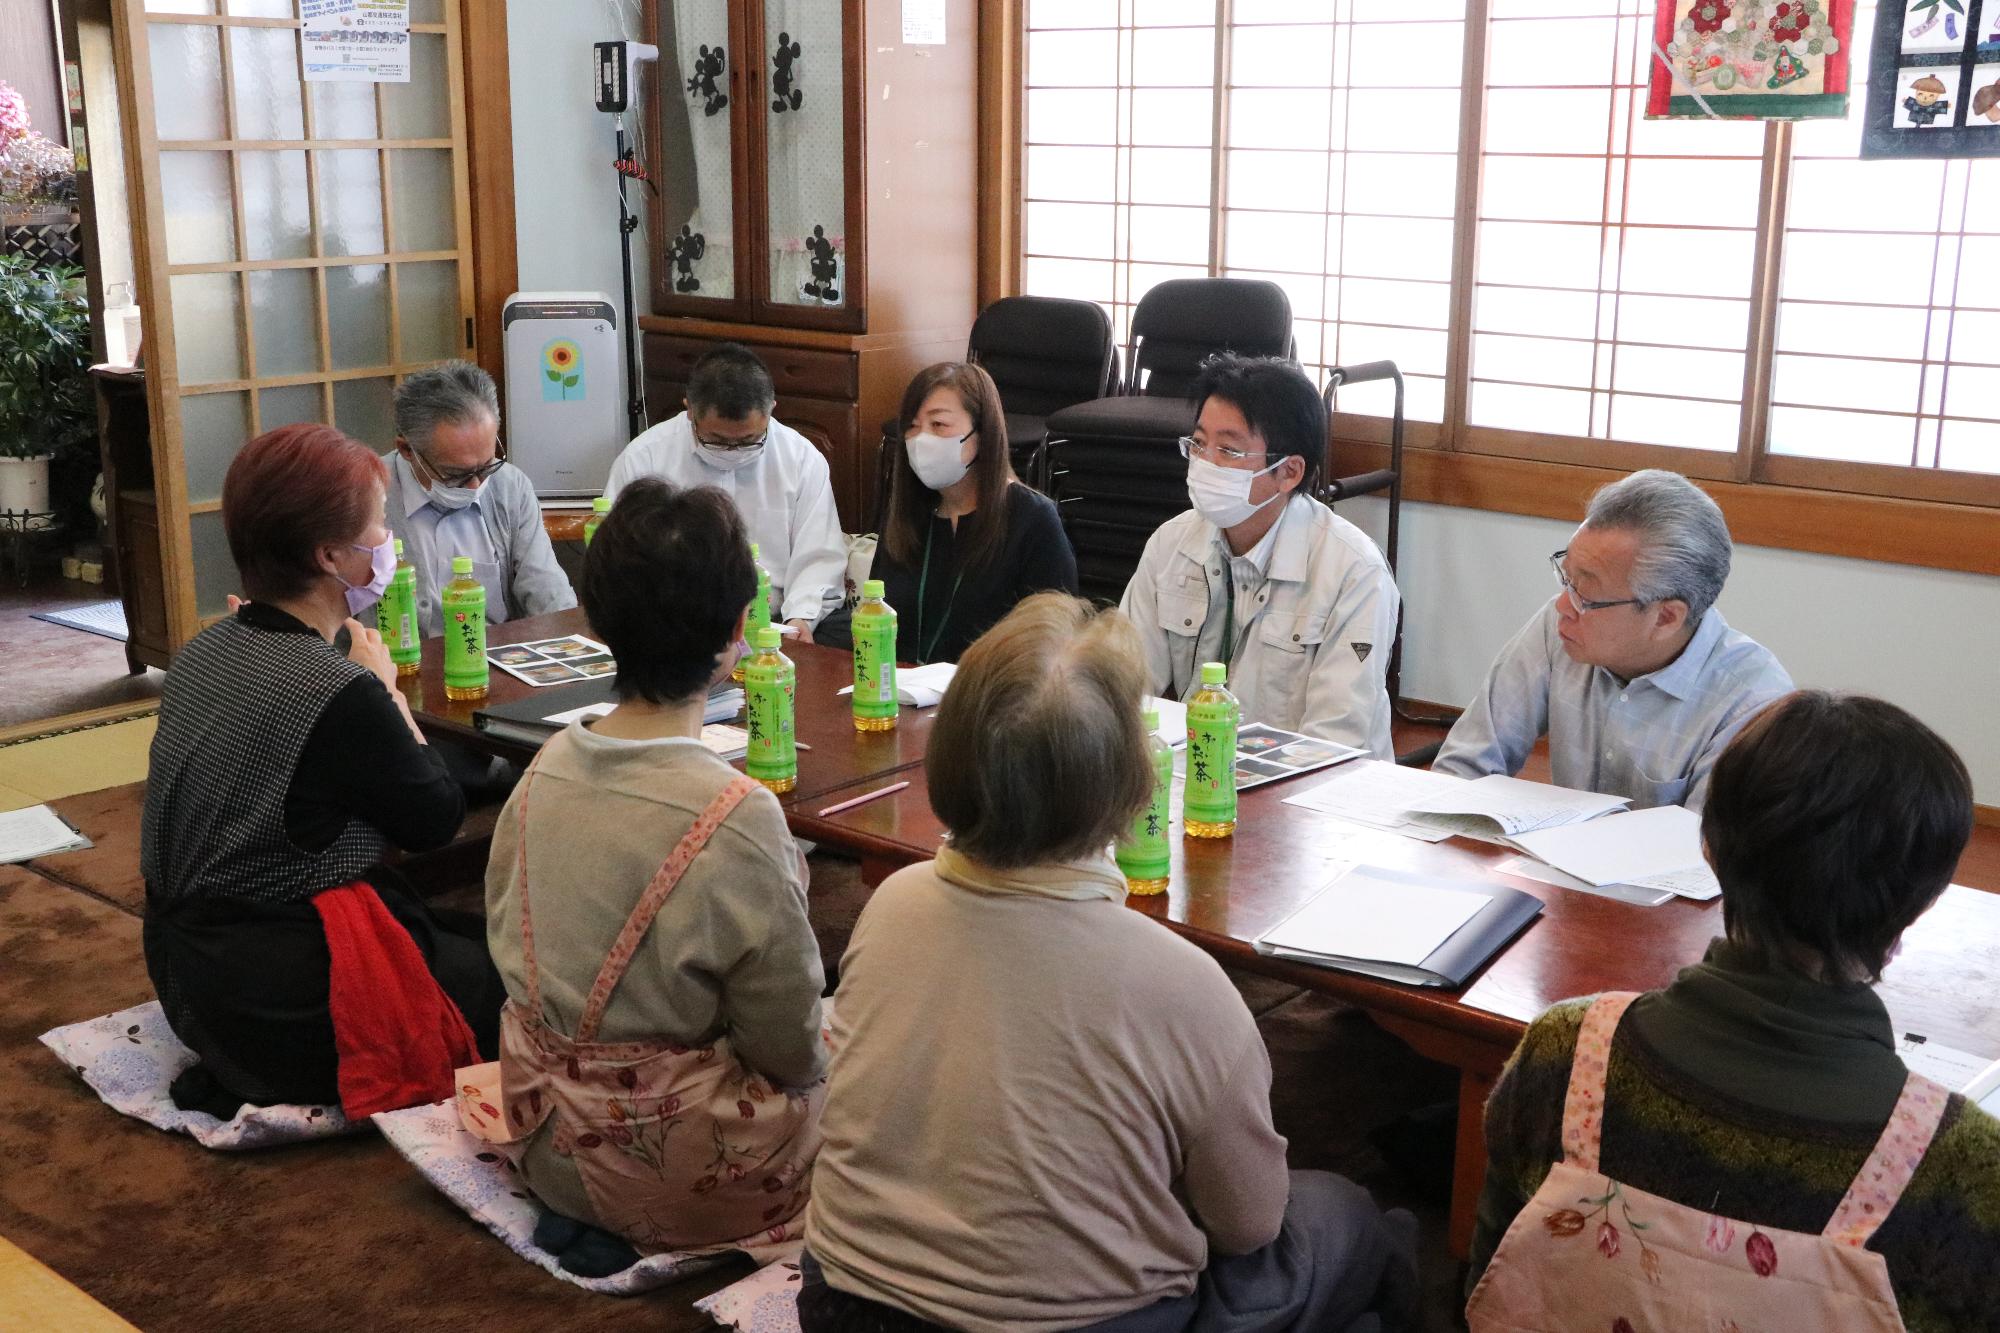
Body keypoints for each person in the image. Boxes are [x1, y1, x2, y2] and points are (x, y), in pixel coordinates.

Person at [800, 594, 1418, 1333]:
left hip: (844, 1303)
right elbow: (1249, 1223)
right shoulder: (1182, 981)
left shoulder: (893, 905)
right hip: (1087, 1325)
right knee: (1343, 1214)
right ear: (1133, 779)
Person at [1467, 691, 2000, 1332]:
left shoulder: (1567, 1049)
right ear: (1925, 899)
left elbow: (1484, 1288)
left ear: (1710, 849)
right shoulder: (1965, 1162)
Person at [479, 478, 828, 1277]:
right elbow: (788, 1043)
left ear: (597, 621)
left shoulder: (543, 768)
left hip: (542, 1134)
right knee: (872, 1057)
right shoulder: (736, 812)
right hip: (679, 1171)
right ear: (740, 628)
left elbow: (507, 945)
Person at [140, 424, 503, 1119]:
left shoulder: (205, 650)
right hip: (280, 991)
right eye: (378, 526)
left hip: (186, 971)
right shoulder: (338, 688)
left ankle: (240, 1062)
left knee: (456, 933)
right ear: (330, 555)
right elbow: (434, 819)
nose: (387, 539)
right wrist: (389, 693)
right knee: (517, 991)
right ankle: (276, 1068)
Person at [1433, 468, 1792, 809]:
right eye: (1567, 578)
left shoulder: (1750, 705)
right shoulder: (1561, 628)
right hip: (1552, 862)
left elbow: (1709, 858)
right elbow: (1464, 766)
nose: (1562, 605)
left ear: (1666, 617)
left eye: (1585, 595)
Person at [1120, 354, 1398, 758]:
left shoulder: (1354, 572)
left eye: (1229, 452)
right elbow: (1123, 688)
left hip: (1313, 797)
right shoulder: (1172, 542)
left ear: (1289, 472)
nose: (1205, 462)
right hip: (1199, 780)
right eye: (1198, 443)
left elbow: (1333, 743)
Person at [822, 361, 1077, 664]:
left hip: (990, 700)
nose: (921, 439)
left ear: (981, 432)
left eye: (938, 425)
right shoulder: (909, 514)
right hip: (898, 695)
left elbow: (1057, 640)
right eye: (912, 427)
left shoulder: (1032, 519)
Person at [605, 343, 846, 638]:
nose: (733, 451)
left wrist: (801, 622)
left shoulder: (801, 459)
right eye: (717, 440)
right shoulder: (644, 459)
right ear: (690, 410)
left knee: (840, 632)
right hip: (677, 624)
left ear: (771, 410)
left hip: (775, 621)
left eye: (749, 440)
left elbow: (819, 557)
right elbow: (617, 561)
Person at [385, 359, 576, 639]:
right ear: (406, 450)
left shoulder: (509, 486)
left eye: (487, 465)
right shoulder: (365, 496)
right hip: (394, 671)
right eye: (455, 474)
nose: (476, 484)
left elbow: (547, 592)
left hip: (494, 663)